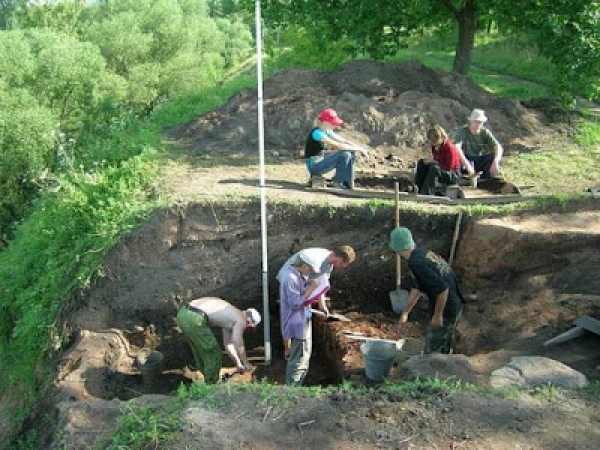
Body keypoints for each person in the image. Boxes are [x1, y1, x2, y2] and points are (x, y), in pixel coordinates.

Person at [276, 245, 356, 374]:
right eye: (345, 264)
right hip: (292, 282)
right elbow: (309, 284)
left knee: (297, 312)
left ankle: (294, 345)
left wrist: (321, 304)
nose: (344, 267)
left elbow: (321, 283)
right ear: (339, 259)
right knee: (290, 314)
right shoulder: (315, 262)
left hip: (303, 284)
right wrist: (307, 294)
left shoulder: (329, 265)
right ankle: (288, 349)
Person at [389, 227, 464, 354]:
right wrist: (405, 313)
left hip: (447, 308)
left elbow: (443, 289)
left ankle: (432, 372)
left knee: (433, 351)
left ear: (396, 248)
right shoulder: (422, 253)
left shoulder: (416, 263)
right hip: (454, 304)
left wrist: (437, 315)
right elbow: (417, 287)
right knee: (444, 344)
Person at [176, 296, 261, 383]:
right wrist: (246, 362)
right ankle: (212, 383)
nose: (246, 327)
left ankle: (205, 378)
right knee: (214, 352)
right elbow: (238, 341)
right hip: (194, 317)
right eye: (249, 326)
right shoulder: (242, 319)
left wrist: (239, 364)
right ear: (250, 322)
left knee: (199, 350)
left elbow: (228, 344)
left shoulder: (232, 317)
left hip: (183, 313)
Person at [278, 251, 321, 386]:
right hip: (298, 324)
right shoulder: (291, 278)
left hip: (300, 320)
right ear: (304, 266)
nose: (311, 272)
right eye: (310, 269)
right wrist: (312, 287)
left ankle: (296, 386)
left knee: (301, 357)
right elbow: (296, 303)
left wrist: (307, 284)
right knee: (299, 359)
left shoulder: (295, 274)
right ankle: (294, 389)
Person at [304, 108, 370, 189]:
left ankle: (348, 181)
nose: (335, 125)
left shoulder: (326, 131)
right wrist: (360, 150)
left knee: (351, 153)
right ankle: (337, 182)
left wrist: (359, 147)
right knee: (344, 154)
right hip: (314, 165)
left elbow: (344, 141)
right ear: (325, 122)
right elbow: (339, 146)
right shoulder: (317, 133)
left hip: (320, 160)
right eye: (333, 123)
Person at [415, 125, 471, 195]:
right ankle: (418, 188)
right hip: (441, 168)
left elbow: (448, 168)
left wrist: (434, 162)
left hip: (453, 175)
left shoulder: (450, 148)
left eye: (434, 142)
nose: (432, 144)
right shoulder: (435, 146)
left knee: (434, 168)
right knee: (421, 163)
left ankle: (426, 193)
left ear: (441, 138)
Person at [454, 108, 504, 179]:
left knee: (493, 156)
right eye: (475, 122)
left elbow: (498, 146)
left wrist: (495, 162)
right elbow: (456, 147)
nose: (477, 125)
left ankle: (487, 177)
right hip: (466, 159)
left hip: (479, 159)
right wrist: (468, 165)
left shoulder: (485, 132)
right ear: (471, 121)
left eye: (480, 122)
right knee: (455, 157)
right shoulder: (463, 131)